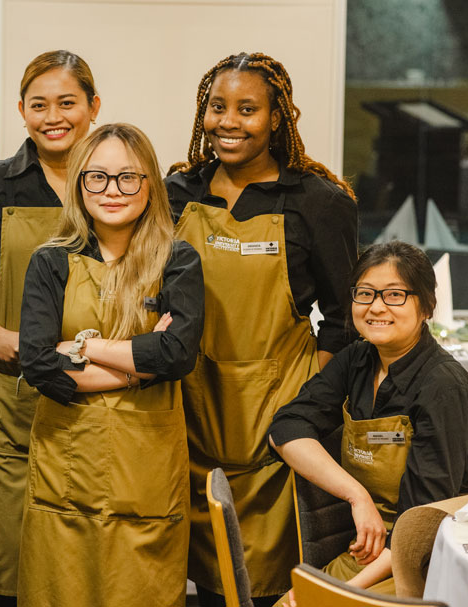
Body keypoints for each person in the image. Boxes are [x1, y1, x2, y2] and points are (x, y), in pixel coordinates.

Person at [164, 51, 359, 605]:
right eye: (217, 107)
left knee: (267, 582)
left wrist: (304, 401)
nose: (229, 122)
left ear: (278, 118)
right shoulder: (179, 192)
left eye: (247, 109)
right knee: (199, 577)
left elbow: (344, 322)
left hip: (274, 419)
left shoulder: (319, 202)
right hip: (188, 407)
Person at [18, 123, 205, 607]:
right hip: (66, 467)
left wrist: (82, 345)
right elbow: (39, 365)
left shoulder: (177, 260)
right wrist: (137, 364)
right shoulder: (50, 262)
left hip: (146, 472)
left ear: (150, 186)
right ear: (80, 185)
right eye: (97, 178)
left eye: (128, 177)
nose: (112, 191)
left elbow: (177, 354)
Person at [268, 241, 468, 602]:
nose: (376, 307)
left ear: (427, 307)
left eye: (395, 295)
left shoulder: (442, 387)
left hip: (429, 564)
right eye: (365, 294)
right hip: (368, 552)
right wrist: (356, 496)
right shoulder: (357, 359)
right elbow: (287, 428)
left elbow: (421, 529)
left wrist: (334, 593)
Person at [0, 49, 100, 607]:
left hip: (99, 383)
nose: (54, 117)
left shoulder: (116, 183)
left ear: (94, 107)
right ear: (21, 111)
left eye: (67, 103)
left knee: (82, 543)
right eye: (39, 105)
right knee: (10, 546)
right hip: (10, 384)